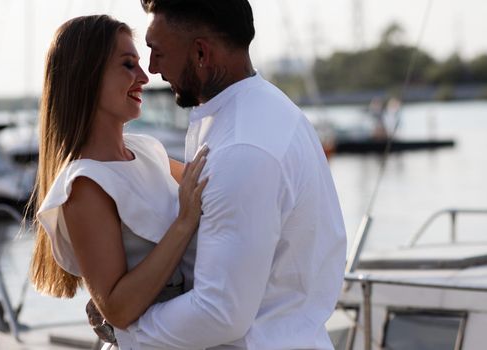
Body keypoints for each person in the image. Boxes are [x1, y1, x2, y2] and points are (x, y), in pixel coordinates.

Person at [102, 1, 347, 349]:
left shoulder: (242, 148)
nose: (152, 68)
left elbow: (219, 313)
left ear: (201, 53)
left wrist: (126, 329)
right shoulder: (262, 111)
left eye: (157, 51)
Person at [29, 14, 208, 348]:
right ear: (87, 75)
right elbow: (117, 309)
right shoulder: (84, 184)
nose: (144, 77)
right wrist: (184, 223)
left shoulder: (148, 150)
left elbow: (210, 187)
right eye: (128, 65)